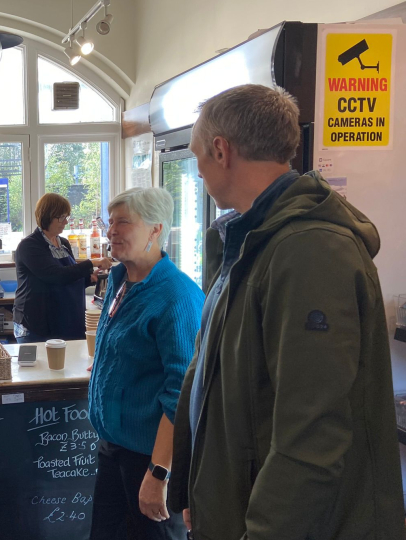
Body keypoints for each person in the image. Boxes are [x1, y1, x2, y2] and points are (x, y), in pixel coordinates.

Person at [169, 84, 403, 540]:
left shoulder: (309, 249)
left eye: (198, 158)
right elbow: (214, 378)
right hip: (237, 503)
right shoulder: (250, 241)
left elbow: (312, 433)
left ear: (222, 150)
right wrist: (194, 490)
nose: (197, 172)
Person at [88, 187, 204, 539]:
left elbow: (180, 395)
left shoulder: (176, 296)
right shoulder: (120, 279)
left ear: (156, 229)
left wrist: (159, 473)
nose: (111, 231)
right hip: (113, 450)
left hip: (148, 460)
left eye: (123, 222)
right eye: (111, 223)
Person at [13, 193, 112, 343]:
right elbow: (55, 276)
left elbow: (69, 275)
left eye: (67, 217)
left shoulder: (64, 243)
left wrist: (89, 278)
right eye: (61, 217)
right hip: (37, 324)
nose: (66, 222)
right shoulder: (29, 246)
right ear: (47, 216)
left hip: (66, 321)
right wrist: (92, 262)